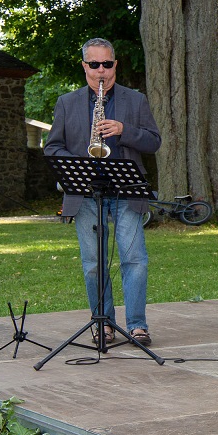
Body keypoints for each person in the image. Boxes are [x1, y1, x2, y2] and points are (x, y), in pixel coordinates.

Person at [45, 38, 162, 346]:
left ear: (115, 65)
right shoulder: (66, 102)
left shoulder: (135, 100)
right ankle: (103, 324)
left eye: (107, 64)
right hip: (84, 194)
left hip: (126, 191)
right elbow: (53, 147)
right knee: (93, 262)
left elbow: (153, 142)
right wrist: (81, 160)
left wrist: (125, 131)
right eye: (94, 64)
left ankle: (137, 325)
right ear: (84, 66)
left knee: (134, 259)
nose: (101, 71)